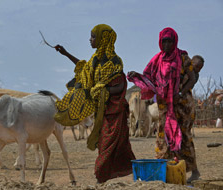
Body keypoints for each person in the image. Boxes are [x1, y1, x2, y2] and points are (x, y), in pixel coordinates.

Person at [54, 24, 136, 183]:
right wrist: (65, 54)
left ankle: (101, 177)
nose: (90, 40)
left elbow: (120, 85)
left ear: (103, 39)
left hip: (115, 111)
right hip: (102, 112)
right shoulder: (95, 60)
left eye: (93, 37)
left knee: (109, 145)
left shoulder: (115, 62)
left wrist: (102, 90)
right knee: (106, 145)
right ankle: (105, 177)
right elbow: (84, 69)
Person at [127, 27, 201, 183]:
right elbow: (149, 78)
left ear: (175, 42)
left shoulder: (183, 58)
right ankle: (165, 171)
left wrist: (180, 92)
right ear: (160, 42)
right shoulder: (157, 60)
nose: (167, 44)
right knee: (163, 135)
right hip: (164, 106)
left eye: (170, 41)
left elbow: (192, 78)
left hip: (182, 104)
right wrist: (137, 76)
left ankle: (194, 172)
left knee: (184, 136)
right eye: (164, 41)